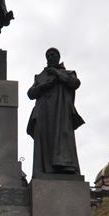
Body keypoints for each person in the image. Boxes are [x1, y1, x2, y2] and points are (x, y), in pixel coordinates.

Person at [27, 47, 84, 177]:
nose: (50, 56)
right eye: (48, 55)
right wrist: (43, 86)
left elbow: (75, 83)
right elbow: (30, 94)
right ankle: (44, 170)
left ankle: (64, 167)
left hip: (61, 113)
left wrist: (57, 74)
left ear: (58, 57)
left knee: (62, 140)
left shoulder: (69, 73)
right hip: (43, 112)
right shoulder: (40, 76)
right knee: (44, 141)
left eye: (53, 54)